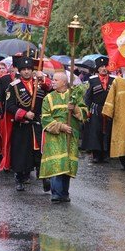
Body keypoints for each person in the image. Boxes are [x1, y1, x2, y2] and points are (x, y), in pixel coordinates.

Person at [5, 56, 52, 191]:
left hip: (37, 123)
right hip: (22, 125)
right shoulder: (14, 86)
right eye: (24, 69)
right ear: (20, 71)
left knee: (39, 152)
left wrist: (42, 77)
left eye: (29, 69)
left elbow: (51, 87)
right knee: (21, 153)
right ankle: (19, 178)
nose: (26, 72)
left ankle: (43, 176)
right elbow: (9, 106)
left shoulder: (39, 83)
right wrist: (24, 113)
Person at [40, 72, 88, 203]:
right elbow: (45, 118)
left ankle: (64, 193)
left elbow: (85, 113)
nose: (52, 82)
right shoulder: (48, 98)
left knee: (67, 165)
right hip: (55, 136)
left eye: (55, 80)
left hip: (70, 136)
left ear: (64, 82)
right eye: (52, 79)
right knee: (57, 164)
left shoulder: (74, 96)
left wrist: (76, 108)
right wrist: (61, 127)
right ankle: (56, 193)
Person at [81, 57, 114, 163]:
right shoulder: (92, 80)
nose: (104, 69)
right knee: (96, 132)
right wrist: (87, 110)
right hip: (96, 109)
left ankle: (105, 154)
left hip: (108, 109)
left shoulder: (113, 80)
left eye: (105, 66)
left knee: (107, 131)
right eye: (102, 67)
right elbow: (88, 97)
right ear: (98, 69)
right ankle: (96, 154)